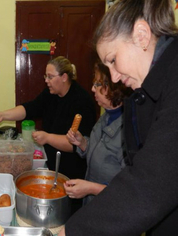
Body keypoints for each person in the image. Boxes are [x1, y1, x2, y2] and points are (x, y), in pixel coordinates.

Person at [58, 0, 178, 235]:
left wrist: (71, 232)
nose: (113, 77)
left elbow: (149, 184)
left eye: (113, 60)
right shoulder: (146, 92)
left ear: (142, 35)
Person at [0, 56, 96, 214]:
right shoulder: (50, 94)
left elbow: (75, 145)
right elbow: (30, 108)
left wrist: (47, 137)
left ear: (64, 77)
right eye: (45, 76)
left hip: (72, 173)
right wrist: (4, 115)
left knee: (68, 214)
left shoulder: (82, 101)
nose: (46, 80)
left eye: (50, 77)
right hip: (52, 166)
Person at [64, 61, 132, 205]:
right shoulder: (105, 116)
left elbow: (129, 191)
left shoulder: (129, 130)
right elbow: (101, 153)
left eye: (97, 84)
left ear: (113, 87)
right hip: (92, 205)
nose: (92, 89)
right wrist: (82, 143)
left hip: (112, 211)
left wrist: (90, 188)